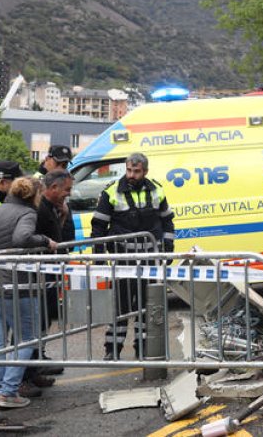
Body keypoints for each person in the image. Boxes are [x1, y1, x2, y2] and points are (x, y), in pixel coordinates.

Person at [91, 153, 174, 361]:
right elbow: (98, 225)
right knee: (121, 305)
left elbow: (167, 222)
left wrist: (169, 247)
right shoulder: (111, 191)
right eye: (129, 170)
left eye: (136, 171)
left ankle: (143, 347)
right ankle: (112, 349)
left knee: (147, 304)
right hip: (123, 258)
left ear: (145, 171)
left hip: (149, 258)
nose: (131, 175)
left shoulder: (157, 189)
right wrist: (99, 255)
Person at [0, 177, 57, 409]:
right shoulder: (27, 213)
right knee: (28, 337)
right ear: (33, 196)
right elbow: (22, 238)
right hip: (20, 285)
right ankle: (8, 392)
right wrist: (45, 240)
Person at [25, 169, 76, 387]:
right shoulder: (37, 208)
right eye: (66, 190)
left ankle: (36, 363)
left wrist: (63, 214)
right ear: (53, 188)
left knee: (44, 318)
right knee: (33, 322)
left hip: (50, 273)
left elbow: (65, 237)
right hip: (38, 274)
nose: (69, 194)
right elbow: (33, 238)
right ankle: (27, 373)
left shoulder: (55, 207)